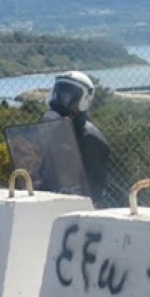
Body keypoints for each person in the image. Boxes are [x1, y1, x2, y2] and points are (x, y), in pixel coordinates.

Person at [42, 71, 112, 207]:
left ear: (83, 100)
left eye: (67, 96)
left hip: (75, 206)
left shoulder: (89, 136)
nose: (59, 101)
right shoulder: (55, 131)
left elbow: (93, 187)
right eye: (58, 94)